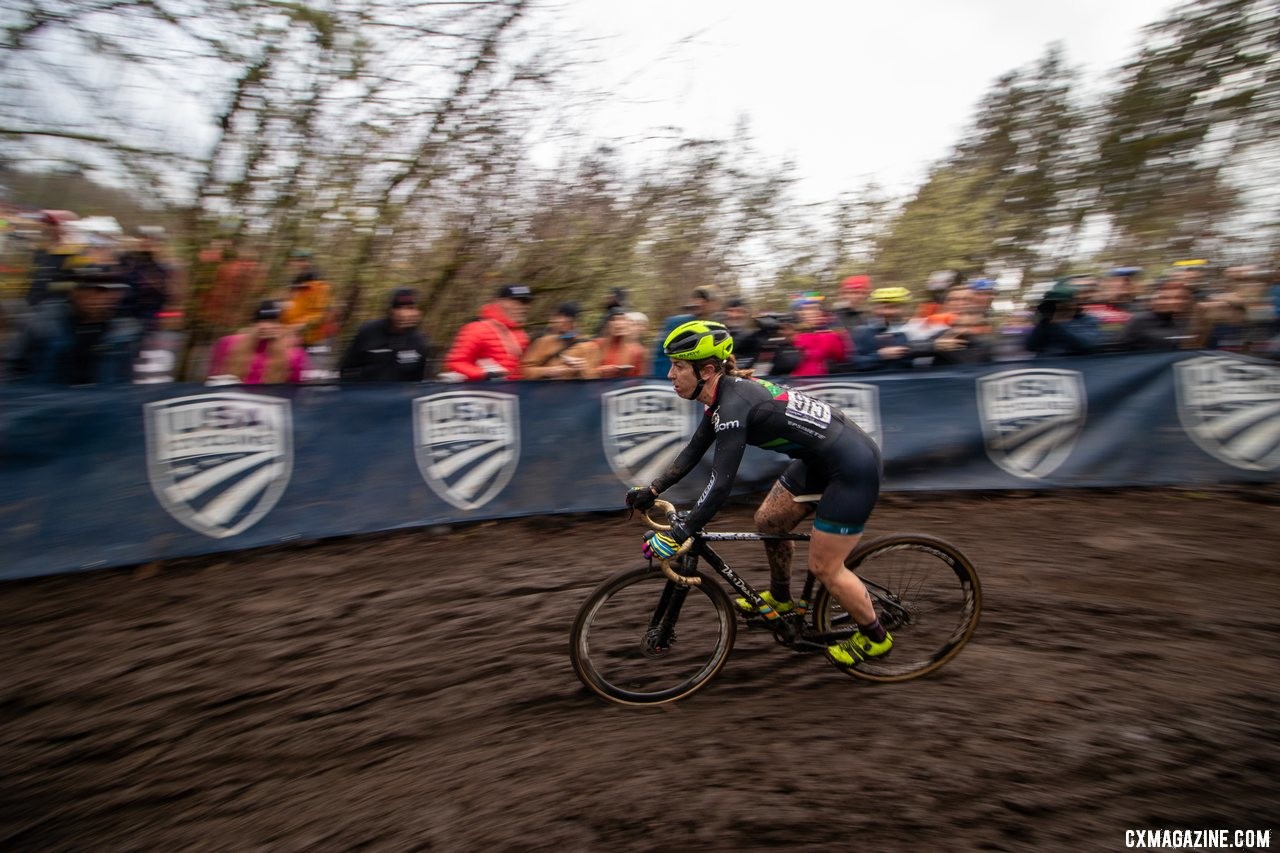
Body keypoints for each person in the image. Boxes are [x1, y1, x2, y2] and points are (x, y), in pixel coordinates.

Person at [623, 320, 891, 669]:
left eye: (678, 366)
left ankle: (876, 637)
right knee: (769, 520)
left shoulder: (733, 405)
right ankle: (781, 599)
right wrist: (653, 489)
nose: (670, 375)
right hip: (820, 459)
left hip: (853, 468)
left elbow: (721, 484)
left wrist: (681, 533)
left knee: (825, 567)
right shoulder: (720, 396)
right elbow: (693, 451)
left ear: (706, 370)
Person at [8, 269, 141, 384]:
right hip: (47, 407)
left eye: (110, 292)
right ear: (76, 293)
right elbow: (14, 369)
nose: (102, 298)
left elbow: (130, 381)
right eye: (95, 290)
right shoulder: (43, 324)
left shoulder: (124, 333)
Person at [337, 288, 435, 382]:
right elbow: (345, 369)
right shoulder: (368, 331)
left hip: (400, 397)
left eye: (409, 308)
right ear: (390, 311)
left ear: (416, 312)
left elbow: (423, 380)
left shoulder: (419, 341)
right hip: (365, 394)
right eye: (398, 308)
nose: (403, 313)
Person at [441, 283, 532, 381]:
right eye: (516, 301)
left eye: (526, 302)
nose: (522, 307)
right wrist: (484, 375)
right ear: (499, 302)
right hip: (482, 392)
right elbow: (455, 362)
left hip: (518, 392)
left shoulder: (522, 334)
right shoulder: (476, 329)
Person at [206, 300, 309, 384]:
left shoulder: (295, 355)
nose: (266, 326)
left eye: (274, 322)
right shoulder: (227, 343)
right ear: (253, 324)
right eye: (261, 321)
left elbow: (297, 388)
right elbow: (213, 378)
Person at [652, 285, 720, 378]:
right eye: (697, 298)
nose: (700, 302)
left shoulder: (716, 329)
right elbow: (662, 356)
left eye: (705, 300)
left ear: (713, 304)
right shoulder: (676, 323)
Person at [520, 301, 599, 379]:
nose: (558, 321)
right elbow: (525, 371)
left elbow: (593, 380)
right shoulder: (543, 342)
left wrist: (582, 368)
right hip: (544, 390)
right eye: (557, 316)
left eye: (564, 317)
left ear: (574, 321)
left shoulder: (590, 347)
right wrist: (548, 371)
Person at [851, 286, 921, 371]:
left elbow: (920, 361)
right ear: (875, 309)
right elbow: (854, 363)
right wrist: (880, 356)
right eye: (884, 307)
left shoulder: (911, 330)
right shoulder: (863, 332)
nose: (889, 312)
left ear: (902, 308)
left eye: (894, 307)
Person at [1024, 282, 1100, 357]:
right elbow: (1030, 346)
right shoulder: (1046, 323)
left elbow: (1085, 344)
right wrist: (1045, 321)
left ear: (1074, 304)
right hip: (1048, 365)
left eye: (1065, 303)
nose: (1061, 306)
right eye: (1056, 304)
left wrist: (1055, 327)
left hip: (1077, 364)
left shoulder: (1086, 320)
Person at [1119, 281, 1197, 351]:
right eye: (1165, 298)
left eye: (1181, 298)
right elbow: (1121, 349)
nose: (1174, 302)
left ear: (1190, 300)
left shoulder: (1197, 320)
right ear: (1154, 301)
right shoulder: (1140, 321)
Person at [790, 294, 852, 376]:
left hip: (823, 383)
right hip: (793, 384)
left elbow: (842, 358)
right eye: (809, 309)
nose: (815, 312)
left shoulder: (830, 336)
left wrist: (842, 337)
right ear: (799, 313)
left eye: (817, 308)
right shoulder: (790, 335)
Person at [596, 306, 649, 378]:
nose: (618, 323)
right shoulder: (597, 344)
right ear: (608, 324)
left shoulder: (637, 351)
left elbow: (640, 380)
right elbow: (585, 373)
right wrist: (600, 371)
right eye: (613, 320)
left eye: (622, 319)